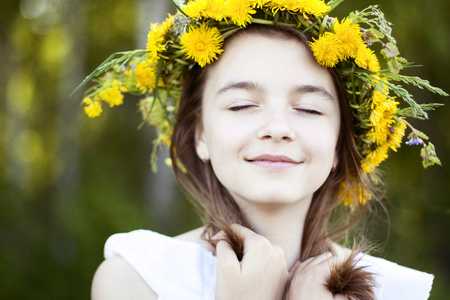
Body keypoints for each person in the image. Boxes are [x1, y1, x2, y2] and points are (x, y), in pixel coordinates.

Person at [76, 0, 446, 299]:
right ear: (200, 134)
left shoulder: (394, 292)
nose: (278, 129)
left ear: (338, 144)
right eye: (241, 105)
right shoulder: (138, 278)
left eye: (308, 109)